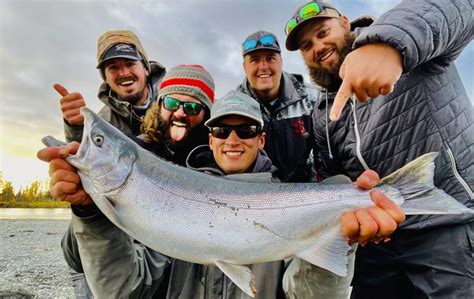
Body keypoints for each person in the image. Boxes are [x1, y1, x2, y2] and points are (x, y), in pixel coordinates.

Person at [38, 89, 404, 298]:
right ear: (209, 138)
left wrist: (344, 232)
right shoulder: (161, 194)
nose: (232, 140)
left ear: (261, 140)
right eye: (222, 131)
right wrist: (89, 214)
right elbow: (122, 291)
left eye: (245, 130)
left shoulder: (290, 199)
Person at [285, 0, 473, 297]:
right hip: (376, 244)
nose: (317, 47)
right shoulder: (321, 114)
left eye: (323, 32)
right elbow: (333, 181)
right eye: (307, 46)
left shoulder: (415, 50)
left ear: (345, 22)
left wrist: (389, 43)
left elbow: (457, 6)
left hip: (448, 224)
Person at [56, 30, 166, 142]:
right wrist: (75, 128)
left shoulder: (176, 99)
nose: (124, 73)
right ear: (105, 78)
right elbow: (85, 152)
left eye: (130, 64)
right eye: (113, 67)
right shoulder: (104, 124)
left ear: (146, 69)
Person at [236, 30, 318, 183]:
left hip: (305, 190)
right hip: (256, 191)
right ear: (244, 66)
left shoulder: (311, 100)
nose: (263, 66)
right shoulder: (235, 107)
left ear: (281, 61)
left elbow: (325, 155)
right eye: (254, 60)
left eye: (270, 58)